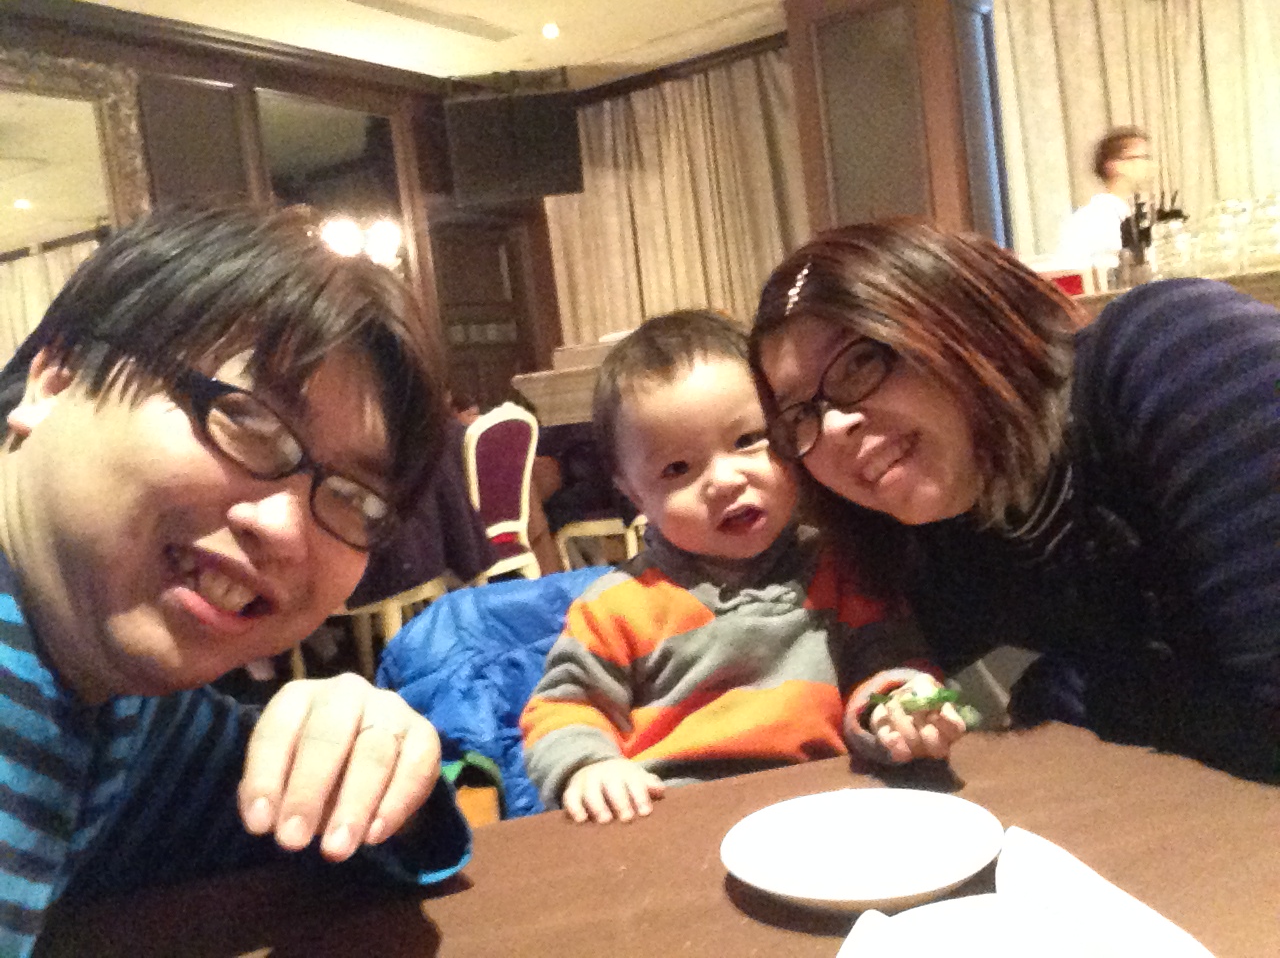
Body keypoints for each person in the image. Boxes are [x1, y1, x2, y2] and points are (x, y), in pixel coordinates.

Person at [0, 206, 472, 956]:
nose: (284, 528)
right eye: (247, 422)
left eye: (356, 499)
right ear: (55, 380)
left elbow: (289, 819)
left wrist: (366, 759)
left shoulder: (118, 700)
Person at [749, 218, 1280, 782]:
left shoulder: (1176, 349)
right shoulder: (959, 522)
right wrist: (889, 699)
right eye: (798, 414)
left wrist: (1062, 691)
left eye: (859, 361)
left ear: (963, 320)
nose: (833, 427)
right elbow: (886, 657)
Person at [519, 310, 967, 825]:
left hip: (824, 806)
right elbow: (564, 706)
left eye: (747, 440)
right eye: (677, 468)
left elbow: (883, 658)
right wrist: (588, 765)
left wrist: (893, 707)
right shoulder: (616, 605)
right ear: (633, 494)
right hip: (672, 813)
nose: (725, 480)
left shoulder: (838, 565)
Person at [1057, 126, 1155, 271]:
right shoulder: (1096, 220)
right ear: (1114, 165)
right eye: (1142, 157)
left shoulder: (1125, 214)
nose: (1150, 165)